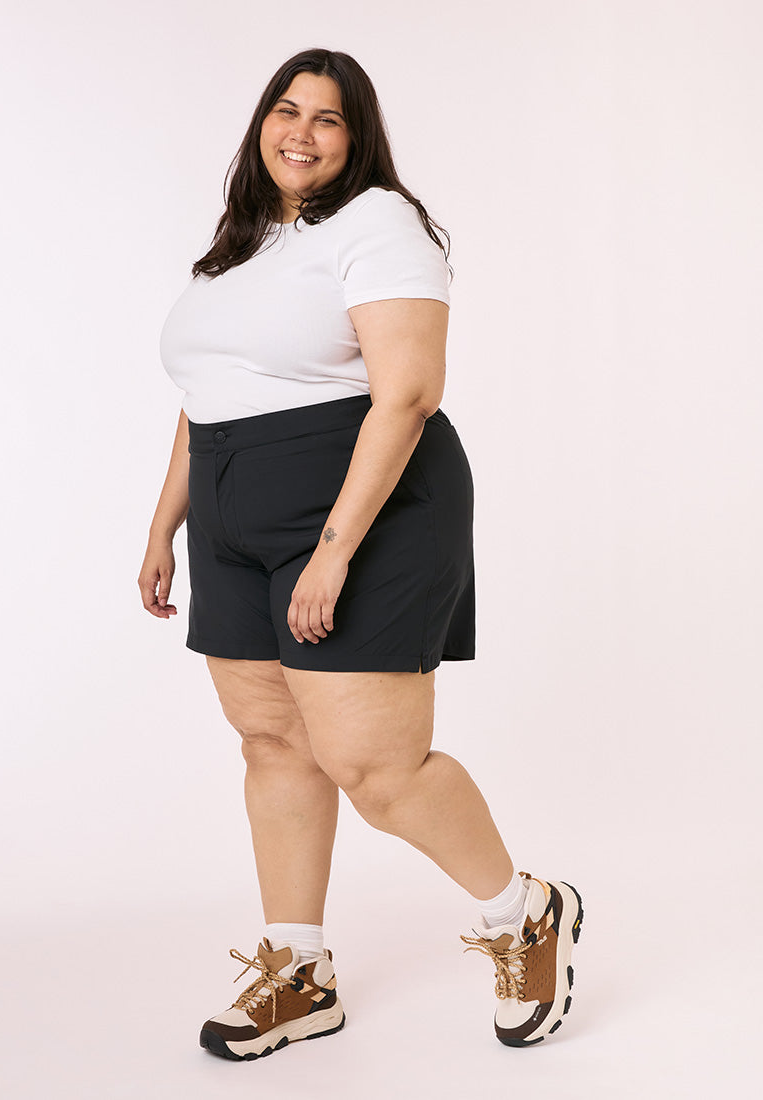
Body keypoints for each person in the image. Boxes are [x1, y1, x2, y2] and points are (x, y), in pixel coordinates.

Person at [138, 47, 583, 1061]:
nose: (300, 132)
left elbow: (408, 391)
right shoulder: (241, 246)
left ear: (356, 135)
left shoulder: (378, 222)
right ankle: (298, 976)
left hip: (363, 507)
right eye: (285, 110)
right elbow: (206, 395)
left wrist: (334, 551)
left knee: (374, 765)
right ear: (261, 123)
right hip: (232, 515)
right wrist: (165, 523)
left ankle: (524, 912)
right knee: (272, 743)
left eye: (326, 118)